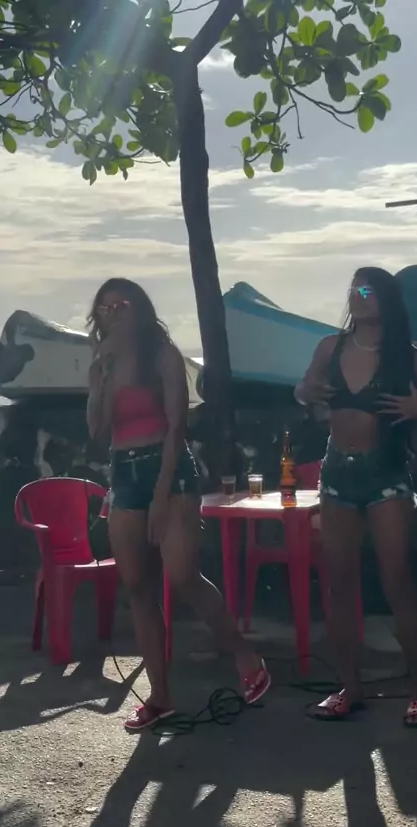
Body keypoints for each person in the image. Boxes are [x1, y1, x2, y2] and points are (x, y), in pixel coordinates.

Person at [87, 278, 270, 731]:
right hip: (123, 471)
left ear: (139, 308)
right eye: (105, 308)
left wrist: (161, 494)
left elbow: (176, 428)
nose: (114, 313)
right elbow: (96, 430)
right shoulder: (104, 362)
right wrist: (100, 379)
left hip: (167, 468)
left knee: (182, 574)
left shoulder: (163, 355)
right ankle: (161, 696)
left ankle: (245, 656)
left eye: (122, 304)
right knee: (138, 587)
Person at [295, 267, 417, 727]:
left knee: (396, 579)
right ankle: (349, 687)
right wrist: (306, 391)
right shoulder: (331, 347)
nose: (358, 295)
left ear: (386, 299)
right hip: (337, 475)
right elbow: (303, 390)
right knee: (340, 583)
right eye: (354, 289)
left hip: (386, 473)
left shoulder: (409, 357)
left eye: (367, 289)